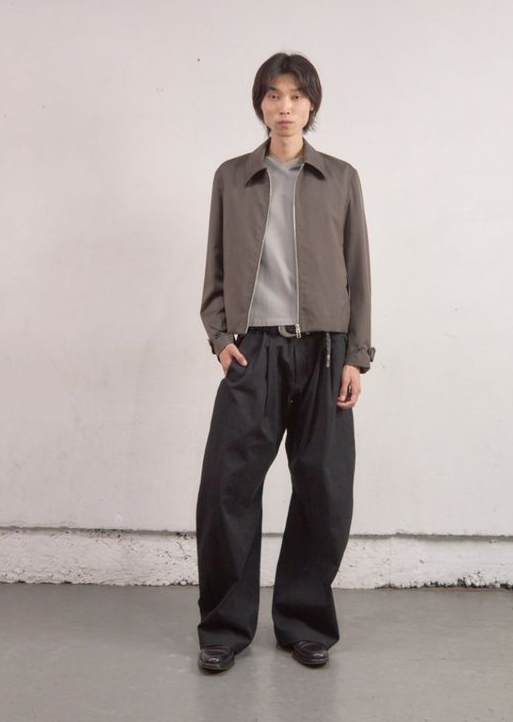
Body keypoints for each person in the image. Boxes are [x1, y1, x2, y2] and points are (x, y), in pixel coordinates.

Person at [196, 52, 375, 672]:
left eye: (296, 96)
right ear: (261, 104)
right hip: (255, 351)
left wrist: (356, 355)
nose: (284, 107)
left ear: (311, 105)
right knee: (227, 488)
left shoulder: (341, 178)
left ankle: (303, 622)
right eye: (273, 95)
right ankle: (225, 627)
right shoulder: (232, 177)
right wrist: (219, 336)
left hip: (325, 352)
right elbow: (216, 264)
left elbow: (358, 271)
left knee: (324, 490)